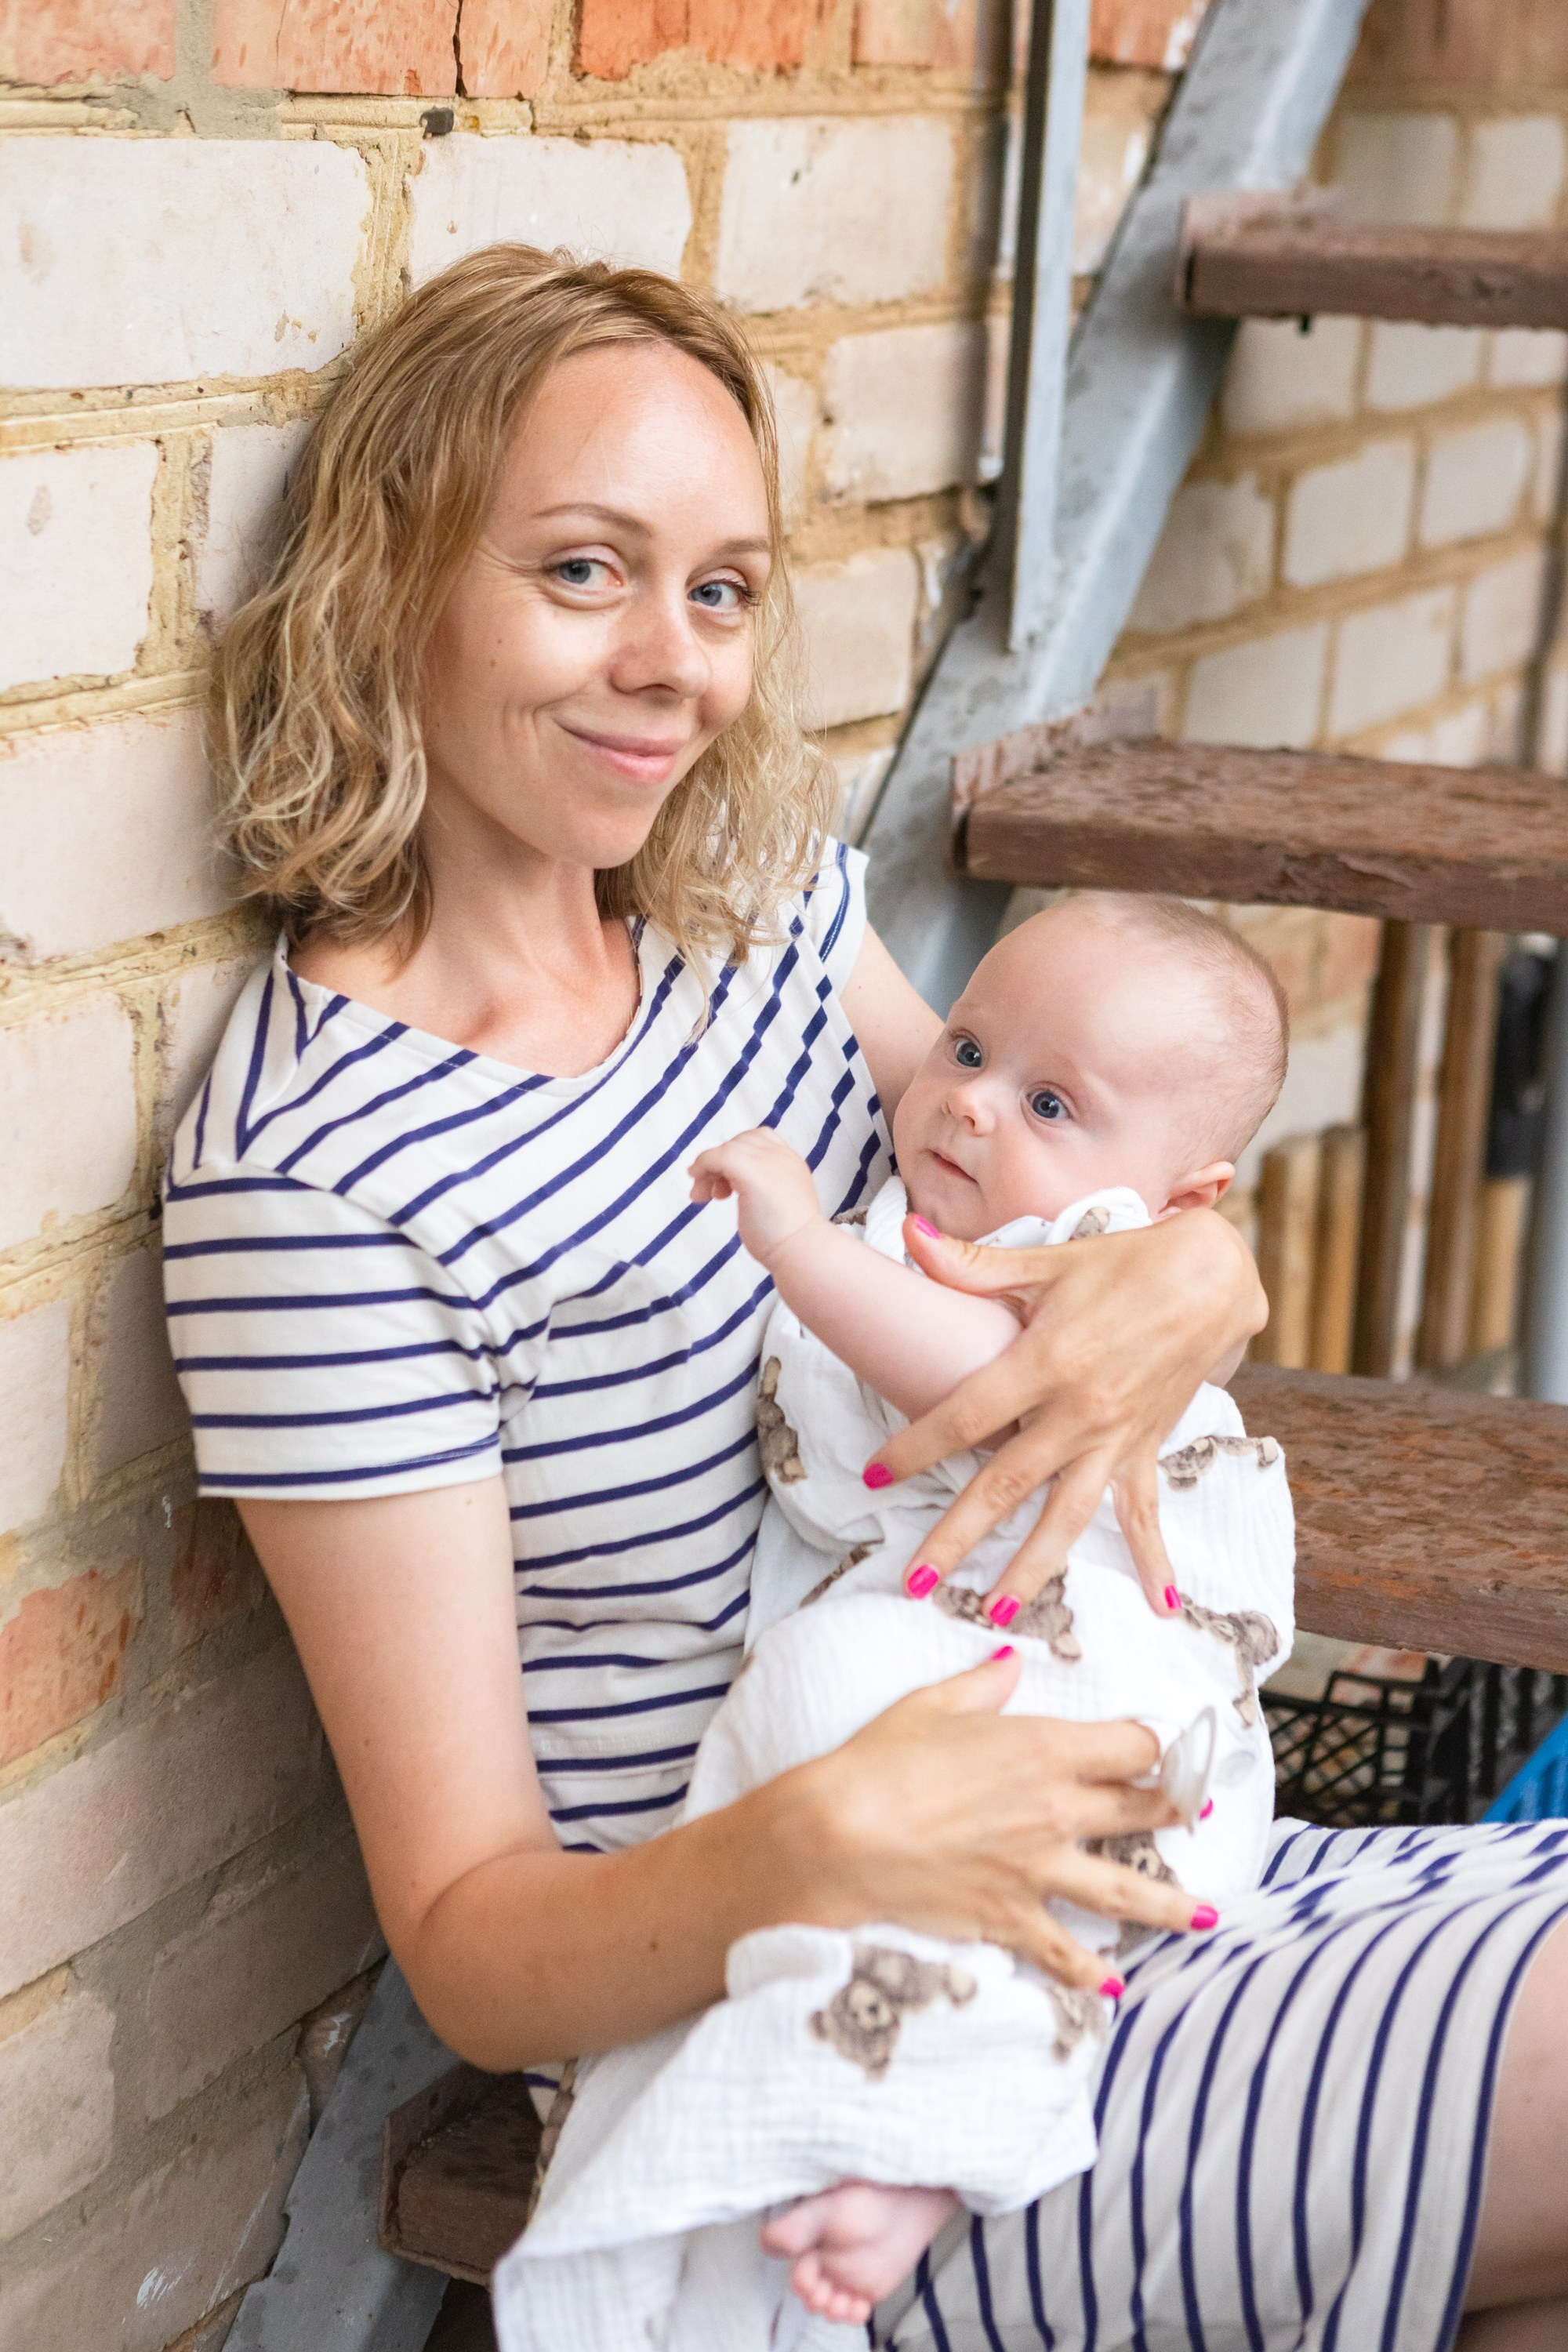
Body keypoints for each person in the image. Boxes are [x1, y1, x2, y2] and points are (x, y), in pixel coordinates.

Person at [162, 242, 1568, 2350]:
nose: (675, 667)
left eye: (720, 590)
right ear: (391, 583)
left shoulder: (753, 908)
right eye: (582, 572)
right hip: (826, 2040)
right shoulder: (316, 1179)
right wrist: (840, 1830)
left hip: (1132, 1871)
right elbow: (467, 1944)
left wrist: (1200, 1267)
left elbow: (1077, 1193)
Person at [502, 893, 1297, 2347]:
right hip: (1005, 1706)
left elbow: (973, 1382)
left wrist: (799, 1243)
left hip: (1093, 1680)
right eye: (971, 1045)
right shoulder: (955, 1206)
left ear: (1184, 1198)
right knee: (926, 1883)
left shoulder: (1075, 1247)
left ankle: (914, 2129)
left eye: (1049, 1099)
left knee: (838, 1691)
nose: (975, 1103)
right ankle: (912, 2154)